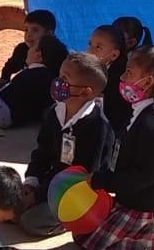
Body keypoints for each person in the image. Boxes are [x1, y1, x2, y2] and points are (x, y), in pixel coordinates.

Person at [75, 44, 154, 250]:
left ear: (148, 81)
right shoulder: (140, 111)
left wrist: (102, 181)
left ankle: (145, 242)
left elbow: (145, 176)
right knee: (82, 232)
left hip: (144, 207)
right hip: (129, 197)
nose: (123, 77)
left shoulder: (152, 124)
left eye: (129, 72)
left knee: (92, 248)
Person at [19, 53, 114, 236]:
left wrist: (38, 196)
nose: (57, 82)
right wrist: (31, 182)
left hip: (79, 193)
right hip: (51, 185)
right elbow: (42, 152)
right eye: (59, 75)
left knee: (30, 221)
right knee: (6, 199)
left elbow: (83, 175)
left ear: (86, 92)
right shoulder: (54, 113)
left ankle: (67, 222)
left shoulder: (97, 126)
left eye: (65, 79)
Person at [0, 35, 68, 128]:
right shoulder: (44, 76)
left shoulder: (37, 73)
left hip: (2, 109)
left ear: (39, 55)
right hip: (3, 114)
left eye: (32, 48)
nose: (28, 50)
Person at [88, 24, 131, 131]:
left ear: (114, 55)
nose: (90, 50)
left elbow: (117, 115)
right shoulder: (92, 67)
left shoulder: (120, 79)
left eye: (98, 47)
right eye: (90, 44)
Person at [0, 9, 58, 83]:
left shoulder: (56, 54)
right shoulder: (22, 49)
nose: (28, 35)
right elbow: (8, 69)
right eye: (26, 29)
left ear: (49, 33)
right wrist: (3, 85)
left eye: (35, 30)